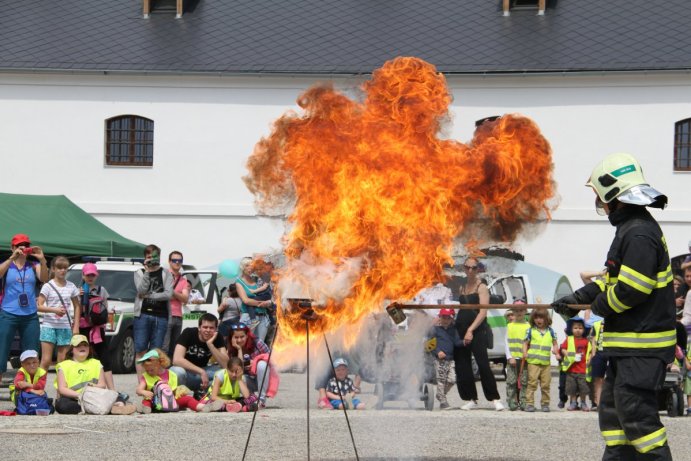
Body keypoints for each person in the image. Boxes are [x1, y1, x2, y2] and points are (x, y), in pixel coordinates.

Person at [552, 152, 674, 460]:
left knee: (638, 421)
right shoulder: (630, 229)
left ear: (613, 194)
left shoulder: (639, 233)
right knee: (614, 419)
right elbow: (613, 282)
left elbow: (633, 290)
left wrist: (597, 307)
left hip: (641, 348)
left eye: (599, 196)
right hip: (627, 348)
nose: (600, 203)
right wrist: (576, 299)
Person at [453, 257, 504, 411]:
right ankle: (471, 398)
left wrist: (471, 330)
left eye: (473, 268)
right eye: (467, 267)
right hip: (461, 328)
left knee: (483, 364)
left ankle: (495, 399)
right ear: (464, 268)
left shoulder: (482, 287)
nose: (470, 270)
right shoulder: (462, 287)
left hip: (477, 329)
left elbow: (483, 312)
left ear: (477, 269)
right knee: (463, 365)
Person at [0, 234, 49, 375]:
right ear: (12, 248)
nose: (23, 248)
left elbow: (45, 278)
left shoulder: (34, 265)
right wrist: (12, 258)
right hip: (8, 313)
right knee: (2, 350)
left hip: (30, 315)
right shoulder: (8, 265)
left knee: (32, 353)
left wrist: (42, 259)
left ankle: (30, 388)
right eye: (19, 245)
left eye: (26, 245)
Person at [55, 335, 135, 415]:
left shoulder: (96, 363)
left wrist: (92, 387)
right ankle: (104, 408)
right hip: (75, 398)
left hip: (94, 396)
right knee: (61, 405)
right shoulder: (64, 366)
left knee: (117, 396)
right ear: (72, 349)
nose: (82, 347)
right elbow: (62, 389)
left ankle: (118, 407)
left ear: (89, 349)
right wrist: (80, 395)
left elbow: (102, 385)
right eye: (78, 345)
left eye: (85, 345)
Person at [135, 348, 220, 413]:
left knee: (187, 399)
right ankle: (145, 408)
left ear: (159, 363)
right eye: (147, 370)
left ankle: (203, 407)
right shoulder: (146, 377)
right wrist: (144, 392)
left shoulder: (171, 375)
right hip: (155, 402)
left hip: (170, 402)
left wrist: (179, 392)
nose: (149, 372)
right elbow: (138, 390)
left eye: (151, 370)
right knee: (147, 399)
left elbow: (174, 392)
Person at [133, 244, 173, 374]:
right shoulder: (139, 272)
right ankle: (141, 382)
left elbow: (168, 294)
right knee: (140, 350)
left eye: (154, 256)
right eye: (149, 257)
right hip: (142, 315)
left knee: (155, 352)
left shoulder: (166, 273)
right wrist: (148, 272)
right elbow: (141, 290)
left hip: (161, 316)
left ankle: (153, 383)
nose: (152, 259)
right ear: (145, 258)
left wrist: (150, 296)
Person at [78, 263, 117, 393]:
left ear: (96, 276)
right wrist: (78, 296)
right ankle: (87, 387)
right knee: (85, 358)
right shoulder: (78, 290)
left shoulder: (102, 290)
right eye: (87, 275)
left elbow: (105, 307)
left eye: (92, 275)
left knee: (104, 357)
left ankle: (112, 390)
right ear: (83, 275)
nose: (90, 278)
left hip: (98, 330)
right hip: (83, 329)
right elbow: (75, 309)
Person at [37, 256, 80, 371]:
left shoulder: (71, 286)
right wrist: (54, 310)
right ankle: (39, 388)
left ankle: (61, 388)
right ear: (53, 269)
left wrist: (76, 326)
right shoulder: (48, 286)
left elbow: (77, 306)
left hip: (65, 326)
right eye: (59, 268)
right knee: (45, 361)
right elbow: (38, 306)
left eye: (65, 268)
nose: (62, 270)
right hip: (49, 326)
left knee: (63, 361)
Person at [170, 313, 228, 394]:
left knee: (225, 373)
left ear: (216, 329)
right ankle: (182, 396)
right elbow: (176, 360)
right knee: (177, 372)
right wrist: (201, 372)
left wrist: (210, 345)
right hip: (186, 372)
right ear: (199, 328)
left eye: (211, 328)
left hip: (204, 372)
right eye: (205, 327)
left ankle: (202, 393)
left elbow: (226, 365)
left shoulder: (218, 337)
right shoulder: (188, 332)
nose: (208, 330)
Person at [228, 323, 276, 408]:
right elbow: (237, 370)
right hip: (248, 379)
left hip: (263, 378)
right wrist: (239, 349)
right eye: (236, 337)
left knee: (262, 365)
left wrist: (255, 362)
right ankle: (251, 400)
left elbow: (272, 359)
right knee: (239, 376)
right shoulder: (231, 348)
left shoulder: (257, 343)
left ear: (247, 335)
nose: (239, 340)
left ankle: (261, 400)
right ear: (232, 338)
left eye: (242, 337)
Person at [522, 308, 558, 412]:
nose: (539, 320)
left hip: (545, 363)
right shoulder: (530, 331)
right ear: (533, 319)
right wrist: (525, 353)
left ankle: (545, 404)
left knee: (546, 384)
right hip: (533, 362)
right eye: (536, 317)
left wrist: (556, 351)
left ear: (546, 318)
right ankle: (529, 403)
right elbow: (525, 343)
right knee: (532, 383)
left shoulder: (551, 331)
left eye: (541, 317)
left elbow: (555, 343)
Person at [236, 257, 273, 342]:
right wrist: (262, 303)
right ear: (242, 267)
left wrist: (268, 302)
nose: (250, 268)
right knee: (247, 344)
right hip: (249, 317)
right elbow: (246, 300)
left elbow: (268, 292)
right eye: (247, 266)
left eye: (251, 266)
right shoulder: (239, 282)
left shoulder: (257, 279)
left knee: (260, 344)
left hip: (263, 316)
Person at [431, 308, 461, 410]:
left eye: (448, 318)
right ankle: (443, 402)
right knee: (441, 380)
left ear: (451, 319)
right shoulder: (435, 329)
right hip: (440, 360)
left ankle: (440, 394)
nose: (446, 320)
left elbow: (457, 342)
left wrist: (465, 341)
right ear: (440, 317)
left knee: (452, 380)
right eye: (444, 317)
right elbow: (429, 344)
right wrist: (438, 351)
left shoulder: (453, 330)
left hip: (450, 359)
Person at [559, 317, 592, 411]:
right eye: (575, 328)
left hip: (582, 369)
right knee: (571, 388)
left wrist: (589, 360)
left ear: (584, 330)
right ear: (571, 329)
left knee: (583, 388)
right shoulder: (569, 339)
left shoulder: (586, 341)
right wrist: (570, 355)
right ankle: (573, 403)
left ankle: (583, 403)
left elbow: (589, 352)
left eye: (580, 328)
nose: (578, 330)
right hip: (571, 368)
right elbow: (563, 349)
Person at [163, 251, 190, 357]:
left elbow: (185, 299)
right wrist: (178, 295)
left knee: (174, 348)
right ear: (169, 262)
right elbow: (164, 295)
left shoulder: (183, 280)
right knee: (164, 347)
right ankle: (162, 372)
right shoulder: (164, 276)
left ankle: (171, 372)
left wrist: (172, 292)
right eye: (174, 260)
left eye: (179, 260)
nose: (177, 263)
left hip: (178, 316)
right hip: (165, 315)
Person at [504, 303, 529, 411]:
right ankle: (511, 401)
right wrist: (510, 357)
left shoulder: (529, 326)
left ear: (525, 312)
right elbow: (506, 342)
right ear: (512, 312)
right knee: (511, 381)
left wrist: (527, 354)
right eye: (516, 311)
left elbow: (530, 342)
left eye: (521, 310)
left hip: (525, 359)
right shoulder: (509, 326)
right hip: (513, 358)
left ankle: (524, 401)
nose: (519, 313)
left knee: (524, 381)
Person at [588, 319, 606, 410]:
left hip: (612, 353)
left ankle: (609, 403)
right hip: (599, 353)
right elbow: (593, 341)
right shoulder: (597, 324)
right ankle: (598, 403)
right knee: (598, 379)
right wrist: (593, 355)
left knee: (610, 379)